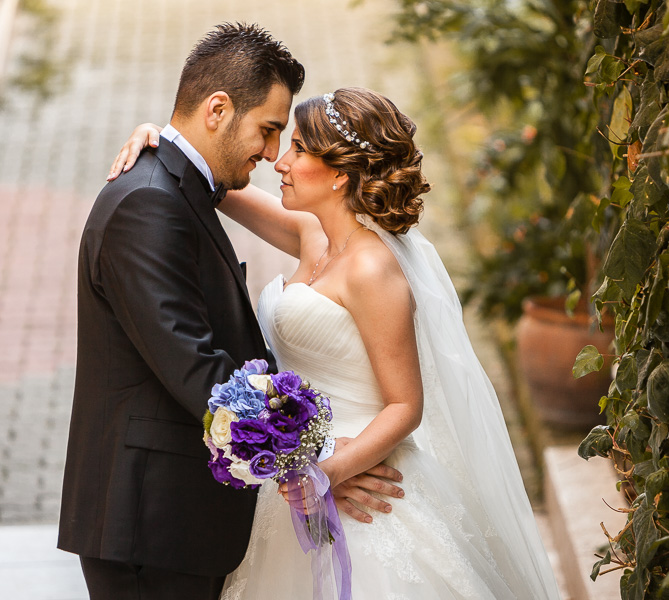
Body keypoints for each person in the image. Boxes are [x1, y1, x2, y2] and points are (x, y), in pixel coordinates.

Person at [113, 86, 561, 599]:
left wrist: (328, 473)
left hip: (358, 478)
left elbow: (405, 404)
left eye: (299, 149)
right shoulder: (312, 234)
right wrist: (160, 141)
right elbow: (211, 178)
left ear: (340, 173)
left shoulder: (373, 269)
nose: (278, 161)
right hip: (297, 474)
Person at [60, 25, 400, 600]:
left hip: (178, 522)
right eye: (269, 131)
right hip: (152, 527)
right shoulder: (149, 204)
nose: (272, 155)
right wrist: (311, 469)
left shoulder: (181, 186)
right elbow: (201, 374)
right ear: (217, 108)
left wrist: (160, 135)